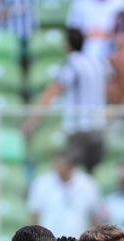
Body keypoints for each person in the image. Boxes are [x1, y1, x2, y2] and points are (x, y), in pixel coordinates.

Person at [26, 27, 111, 171]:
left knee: (74, 173)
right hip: (98, 126)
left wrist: (33, 122)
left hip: (78, 128)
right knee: (93, 173)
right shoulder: (98, 63)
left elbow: (52, 93)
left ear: (67, 45)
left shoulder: (71, 64)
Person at [27, 150, 100, 238]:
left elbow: (93, 217)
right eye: (57, 164)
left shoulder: (88, 184)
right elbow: (34, 215)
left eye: (63, 164)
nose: (59, 167)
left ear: (71, 166)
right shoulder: (42, 183)